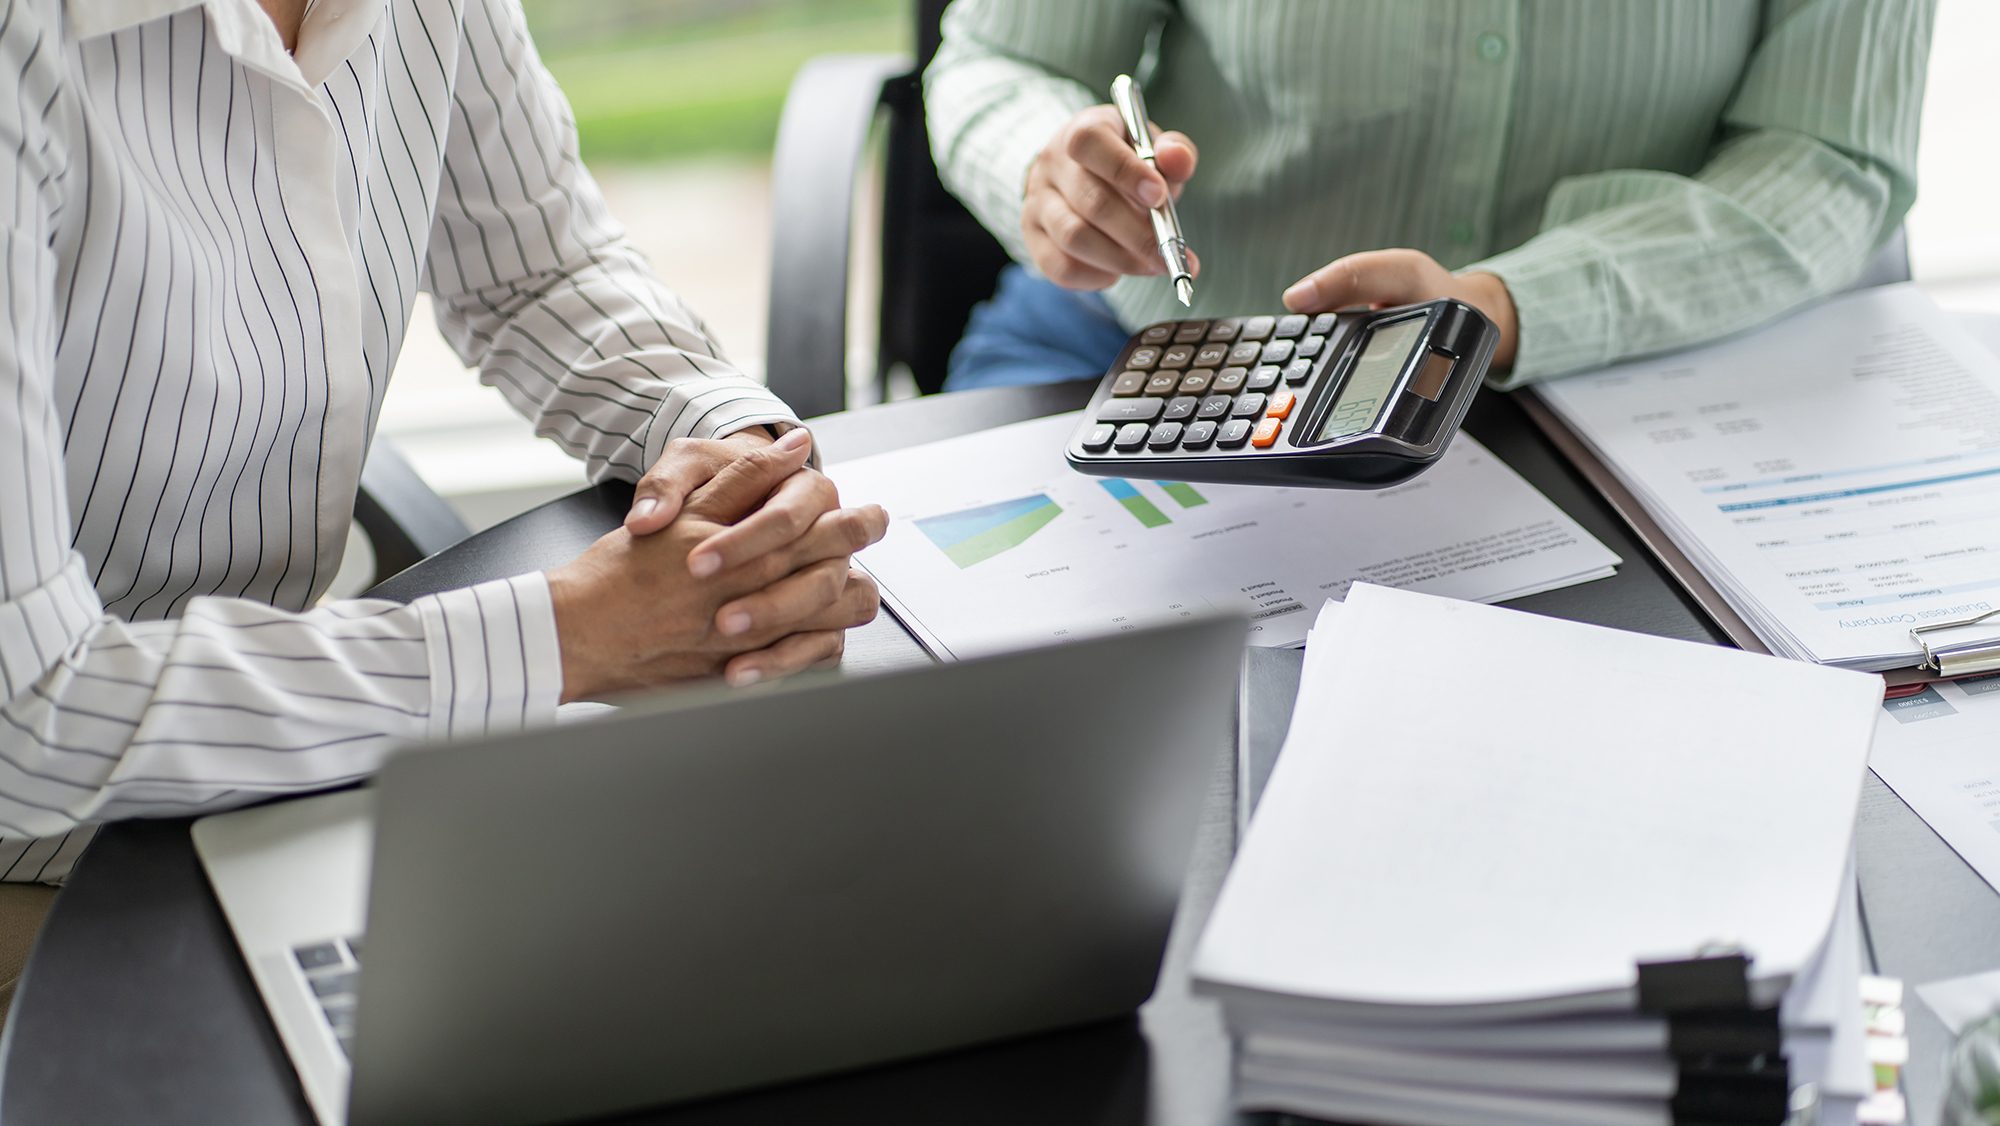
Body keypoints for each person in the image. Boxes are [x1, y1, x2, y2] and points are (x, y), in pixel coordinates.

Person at [0, 0, 887, 1010]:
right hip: (43, 870)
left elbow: (538, 270)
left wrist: (734, 448)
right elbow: (27, 711)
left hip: (303, 777)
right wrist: (571, 635)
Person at [924, 0, 1934, 390]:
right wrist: (1045, 169)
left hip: (1617, 385)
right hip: (1154, 355)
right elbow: (994, 62)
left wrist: (1507, 306)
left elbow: (1825, 157)